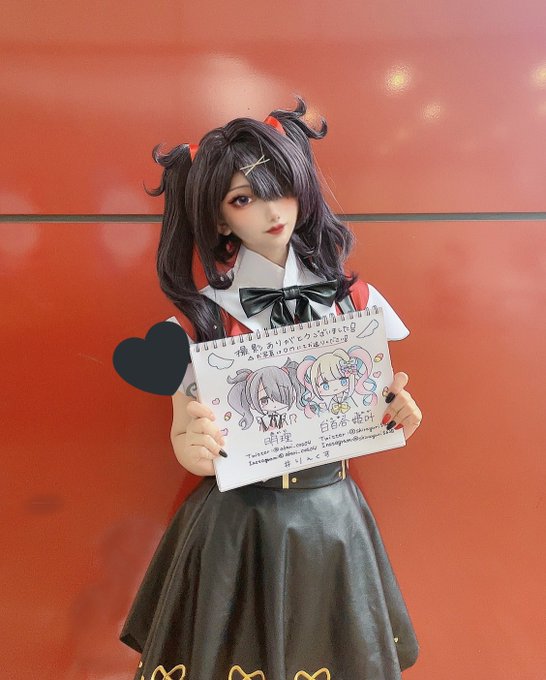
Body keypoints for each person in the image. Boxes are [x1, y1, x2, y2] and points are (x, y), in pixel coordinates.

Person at [120, 98, 422, 680]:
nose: (270, 210)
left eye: (279, 188)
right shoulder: (198, 320)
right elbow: (184, 432)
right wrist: (191, 445)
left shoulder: (355, 301)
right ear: (218, 219)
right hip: (240, 525)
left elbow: (374, 404)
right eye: (242, 199)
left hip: (331, 516)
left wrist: (396, 412)